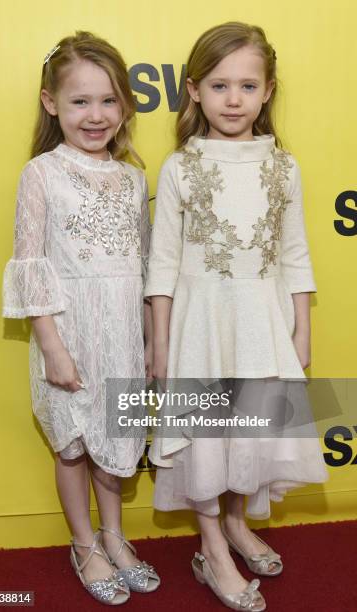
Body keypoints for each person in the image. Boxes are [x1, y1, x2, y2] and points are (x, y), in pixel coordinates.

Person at [145, 21, 327, 611]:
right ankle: (212, 548)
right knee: (204, 437)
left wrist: (302, 329)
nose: (233, 99)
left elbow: (295, 253)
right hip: (200, 327)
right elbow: (164, 266)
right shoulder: (181, 168)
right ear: (194, 90)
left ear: (268, 91)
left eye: (247, 86)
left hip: (260, 323)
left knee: (244, 432)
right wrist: (161, 343)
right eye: (220, 85)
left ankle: (237, 524)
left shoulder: (284, 167)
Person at [3, 31, 160, 605]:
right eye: (79, 102)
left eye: (108, 101)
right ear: (51, 103)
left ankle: (114, 536)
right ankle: (83, 543)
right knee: (72, 444)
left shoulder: (133, 177)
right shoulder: (41, 173)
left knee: (115, 444)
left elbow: (143, 269)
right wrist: (51, 346)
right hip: (68, 330)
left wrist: (147, 343)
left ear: (125, 104)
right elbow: (30, 265)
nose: (95, 116)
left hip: (121, 332)